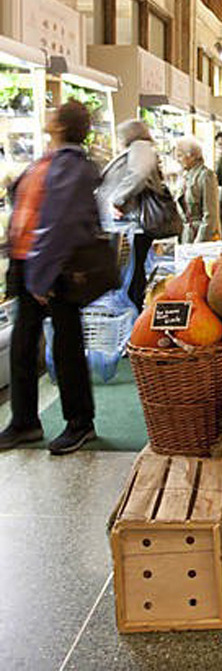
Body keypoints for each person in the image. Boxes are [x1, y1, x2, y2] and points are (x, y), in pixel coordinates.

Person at [0, 100, 100, 454]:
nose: (48, 112)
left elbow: (62, 224)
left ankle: (80, 422)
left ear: (62, 124)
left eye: (54, 111)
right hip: (27, 262)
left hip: (54, 268)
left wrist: (43, 276)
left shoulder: (72, 165)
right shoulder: (50, 159)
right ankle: (24, 422)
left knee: (66, 345)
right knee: (24, 346)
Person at [97, 119, 163, 312]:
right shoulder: (141, 148)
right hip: (131, 224)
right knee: (134, 272)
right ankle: (133, 313)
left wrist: (116, 199)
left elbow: (138, 175)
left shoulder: (140, 148)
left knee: (133, 274)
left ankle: (133, 317)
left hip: (134, 224)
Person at [175, 136, 220, 243]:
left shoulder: (206, 175)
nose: (177, 160)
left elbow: (210, 214)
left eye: (180, 156)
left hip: (201, 236)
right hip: (187, 235)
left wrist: (200, 241)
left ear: (192, 156)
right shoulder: (185, 176)